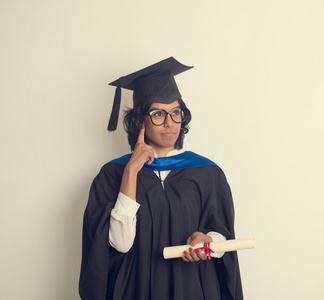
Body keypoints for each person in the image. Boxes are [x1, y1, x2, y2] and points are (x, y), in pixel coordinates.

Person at [79, 57, 243, 300]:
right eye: (158, 113)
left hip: (192, 288)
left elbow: (223, 237)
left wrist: (208, 241)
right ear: (140, 119)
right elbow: (119, 245)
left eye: (176, 112)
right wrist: (131, 173)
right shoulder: (112, 174)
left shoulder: (207, 173)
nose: (169, 123)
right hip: (136, 290)